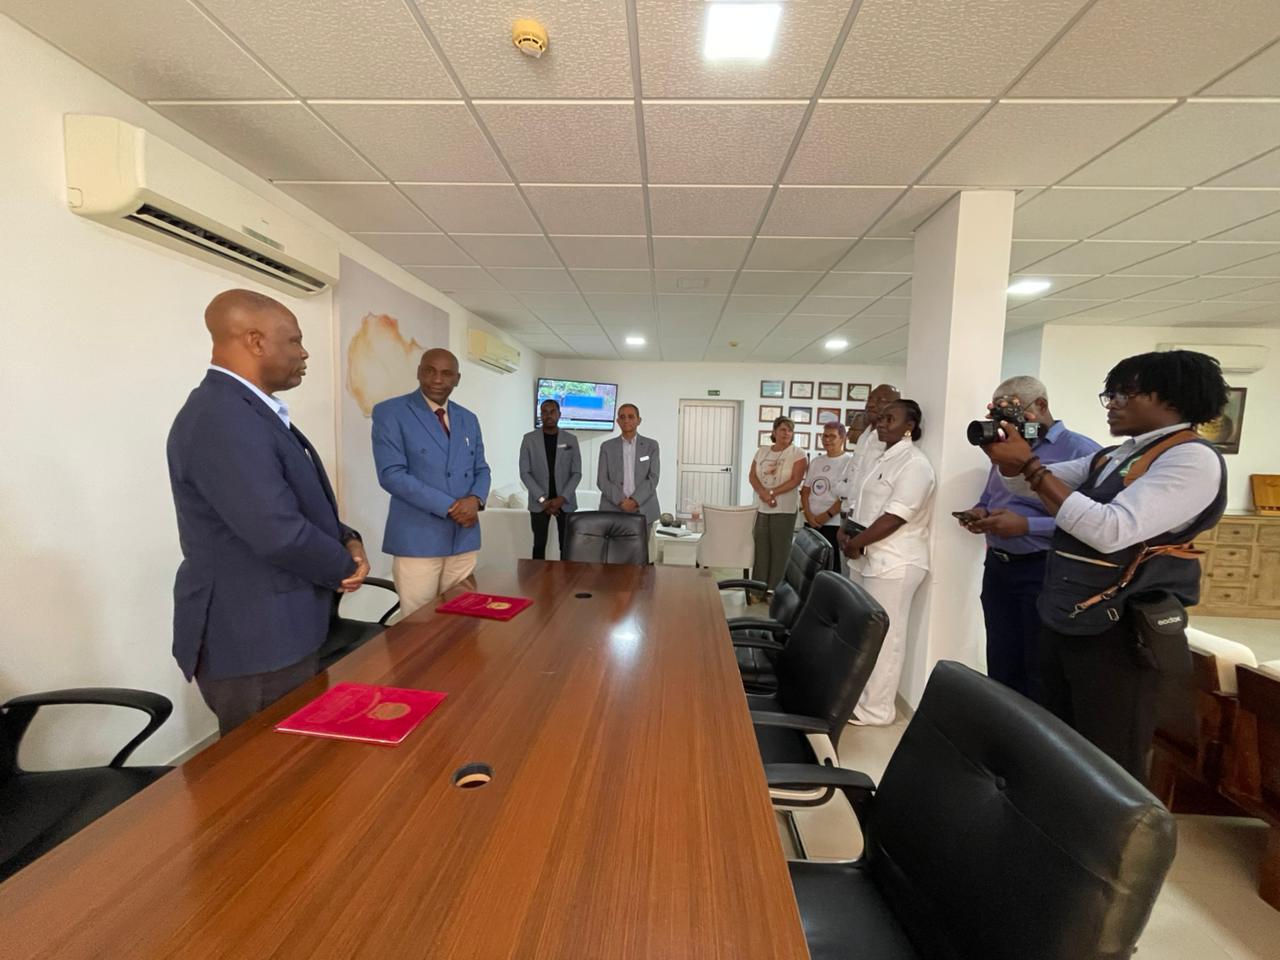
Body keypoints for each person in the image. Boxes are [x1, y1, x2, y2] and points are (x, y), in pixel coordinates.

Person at [983, 350, 1228, 782]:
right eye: (1110, 394)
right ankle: (1048, 811)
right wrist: (1006, 454)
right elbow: (1024, 484)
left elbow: (1111, 529)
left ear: (1170, 397)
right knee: (1056, 735)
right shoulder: (1115, 455)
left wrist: (1031, 466)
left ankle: (1098, 826)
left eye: (1124, 394)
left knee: (1107, 756)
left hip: (1120, 628)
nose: (1112, 404)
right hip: (1071, 612)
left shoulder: (1191, 459)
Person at [167, 289, 368, 735]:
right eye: (294, 340)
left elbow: (296, 503)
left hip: (283, 629)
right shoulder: (222, 417)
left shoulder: (251, 411)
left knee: (301, 761)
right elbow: (279, 532)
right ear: (256, 341)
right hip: (256, 638)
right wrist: (344, 566)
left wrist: (347, 538)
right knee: (269, 769)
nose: (304, 353)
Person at [958, 376, 1100, 702]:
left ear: (1041, 405)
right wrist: (980, 512)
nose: (1005, 420)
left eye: (1012, 409)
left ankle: (1033, 728)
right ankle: (1001, 722)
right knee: (1001, 654)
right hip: (999, 566)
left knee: (1038, 661)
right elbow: (991, 495)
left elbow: (1091, 519)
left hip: (1044, 568)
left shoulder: (1082, 451)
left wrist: (1027, 526)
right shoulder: (1007, 445)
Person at [372, 348, 490, 616]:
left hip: (463, 536)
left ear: (457, 379)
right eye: (430, 371)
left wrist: (476, 500)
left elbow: (481, 469)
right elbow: (392, 474)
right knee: (419, 623)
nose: (437, 379)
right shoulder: (391, 412)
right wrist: (451, 507)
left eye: (446, 373)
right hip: (418, 538)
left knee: (463, 619)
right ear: (419, 372)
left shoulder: (468, 418)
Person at [839, 400, 935, 725]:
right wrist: (845, 532)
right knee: (863, 632)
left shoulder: (915, 464)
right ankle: (857, 697)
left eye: (890, 419)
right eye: (881, 418)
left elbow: (895, 516)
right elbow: (859, 502)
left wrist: (857, 542)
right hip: (865, 556)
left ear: (909, 427)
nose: (881, 423)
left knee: (886, 636)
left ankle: (877, 709)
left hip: (895, 560)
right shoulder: (882, 456)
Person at [749, 416, 808, 600]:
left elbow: (795, 480)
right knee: (761, 550)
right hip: (762, 507)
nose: (786, 433)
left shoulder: (798, 453)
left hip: (784, 509)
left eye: (790, 430)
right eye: (782, 429)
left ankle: (774, 592)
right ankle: (757, 590)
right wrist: (763, 494)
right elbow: (752, 476)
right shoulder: (762, 451)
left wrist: (772, 493)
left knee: (780, 551)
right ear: (774, 432)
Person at [519, 398, 583, 559]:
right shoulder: (529, 439)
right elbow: (525, 472)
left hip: (565, 502)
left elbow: (576, 472)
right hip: (539, 503)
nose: (549, 415)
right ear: (540, 415)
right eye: (545, 412)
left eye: (552, 412)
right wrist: (543, 500)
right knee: (539, 545)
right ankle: (537, 576)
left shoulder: (571, 440)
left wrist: (562, 498)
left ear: (559, 414)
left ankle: (565, 576)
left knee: (567, 547)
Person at [833, 383, 900, 517]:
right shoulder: (865, 435)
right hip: (851, 512)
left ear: (895, 407)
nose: (871, 404)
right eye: (869, 399)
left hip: (872, 516)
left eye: (880, 401)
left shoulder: (891, 438)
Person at [597, 403, 661, 525]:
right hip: (613, 509)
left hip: (644, 509)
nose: (626, 420)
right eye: (622, 417)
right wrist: (621, 501)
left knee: (643, 539)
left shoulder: (651, 446)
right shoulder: (607, 447)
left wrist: (634, 501)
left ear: (639, 420)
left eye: (631, 417)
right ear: (618, 421)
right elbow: (602, 480)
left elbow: (653, 477)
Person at [801, 421, 850, 570]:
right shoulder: (816, 461)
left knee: (830, 567)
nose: (827, 440)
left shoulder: (849, 462)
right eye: (824, 436)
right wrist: (808, 515)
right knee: (809, 566)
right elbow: (805, 491)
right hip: (811, 521)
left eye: (832, 436)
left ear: (842, 438)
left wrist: (826, 516)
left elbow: (845, 497)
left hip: (833, 524)